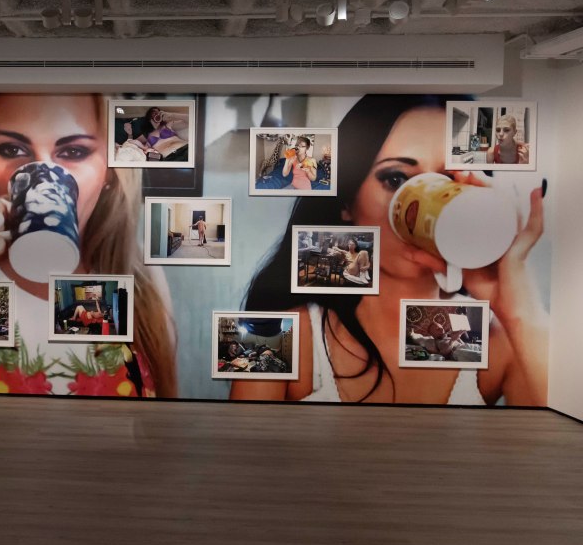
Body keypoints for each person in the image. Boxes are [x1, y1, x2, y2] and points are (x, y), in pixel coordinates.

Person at [232, 95, 547, 406]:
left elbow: (559, 446)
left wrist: (519, 314)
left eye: (449, 180)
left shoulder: (497, 337)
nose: (426, 206)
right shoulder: (275, 329)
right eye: (395, 178)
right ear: (346, 203)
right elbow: (236, 450)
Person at [0, 94, 178, 398]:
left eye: (74, 151)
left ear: (109, 170)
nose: (41, 176)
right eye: (11, 149)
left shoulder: (139, 272)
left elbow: (160, 429)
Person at [118, 106, 190, 162]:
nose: (156, 113)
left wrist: (171, 115)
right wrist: (129, 133)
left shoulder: (168, 125)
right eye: (153, 112)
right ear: (149, 117)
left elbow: (192, 119)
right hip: (170, 159)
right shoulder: (147, 135)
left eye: (158, 112)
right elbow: (132, 143)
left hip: (185, 150)